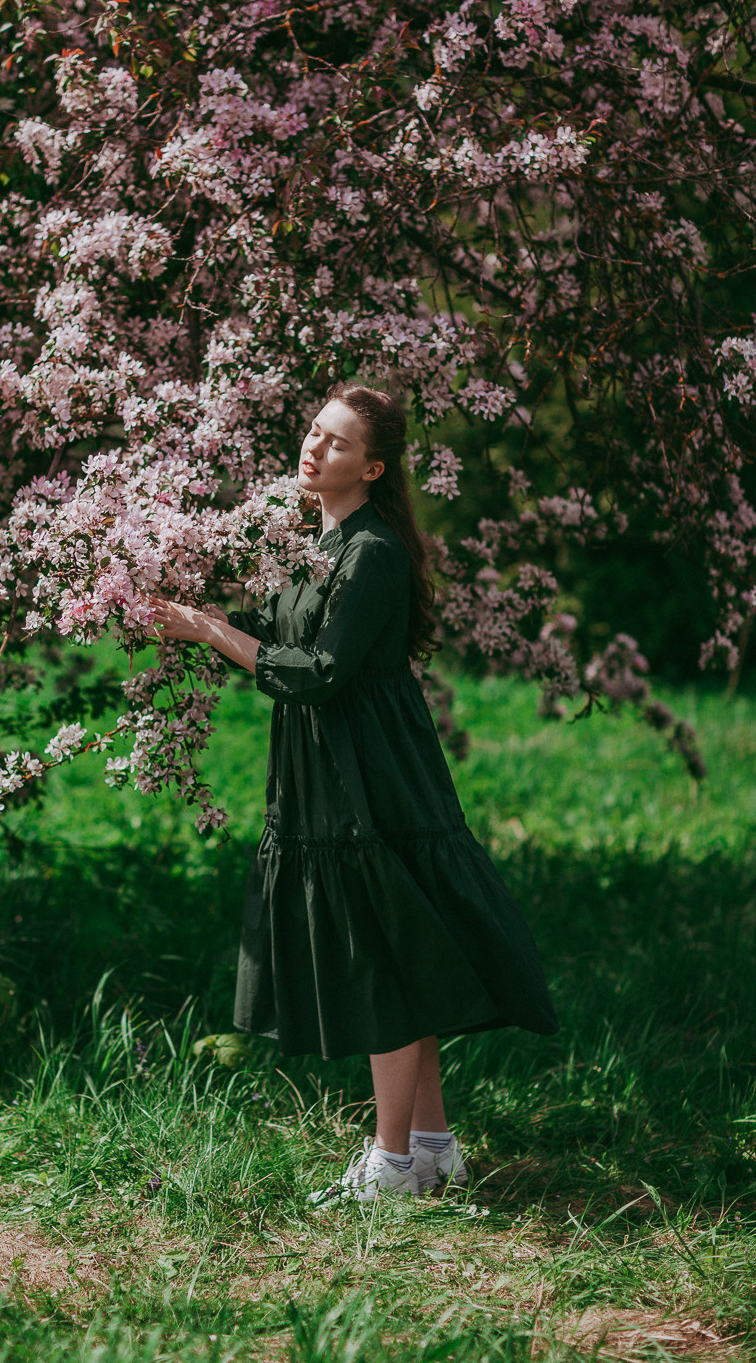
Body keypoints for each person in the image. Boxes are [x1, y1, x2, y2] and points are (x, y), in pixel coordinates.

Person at [149, 383, 558, 1204]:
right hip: (328, 769)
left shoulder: (369, 552)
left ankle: (392, 1164)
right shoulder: (313, 542)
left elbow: (320, 673)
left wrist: (207, 631)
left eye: (335, 443)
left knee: (380, 957)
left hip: (368, 774)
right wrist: (176, 597)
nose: (313, 448)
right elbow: (270, 631)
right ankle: (433, 1148)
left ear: (371, 467)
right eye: (312, 431)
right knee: (400, 952)